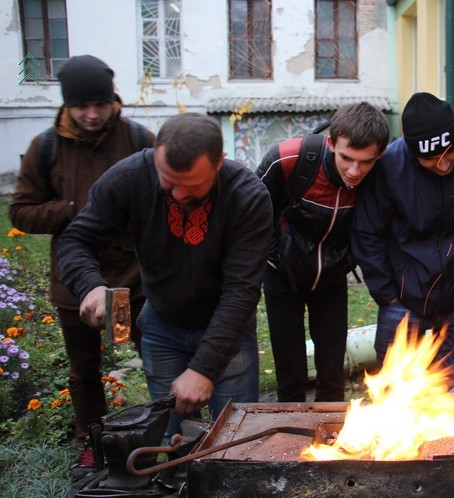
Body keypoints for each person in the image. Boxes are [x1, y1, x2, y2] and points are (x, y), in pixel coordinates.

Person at [57, 112, 273, 437]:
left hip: (229, 332)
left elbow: (241, 291)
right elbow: (77, 239)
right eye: (167, 179)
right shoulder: (131, 176)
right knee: (171, 440)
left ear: (219, 163)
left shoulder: (247, 197)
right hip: (162, 327)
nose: (176, 194)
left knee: (234, 442)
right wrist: (89, 286)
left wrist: (203, 368)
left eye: (191, 186)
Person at [9, 54, 152, 475]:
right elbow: (20, 212)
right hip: (75, 281)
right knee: (85, 370)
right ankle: (91, 444)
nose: (91, 114)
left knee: (154, 356)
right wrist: (74, 210)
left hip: (134, 280)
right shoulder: (46, 147)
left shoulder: (139, 138)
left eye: (99, 105)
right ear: (67, 105)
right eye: (82, 106)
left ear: (113, 101)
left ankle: (161, 434)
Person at [351, 92, 454, 386]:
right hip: (401, 302)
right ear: (413, 152)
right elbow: (368, 233)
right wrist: (388, 295)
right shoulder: (389, 166)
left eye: (449, 154)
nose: (443, 165)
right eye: (431, 160)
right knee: (393, 394)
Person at [255, 103, 389, 402]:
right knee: (290, 370)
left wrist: (350, 260)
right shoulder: (288, 158)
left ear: (379, 155)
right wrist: (275, 257)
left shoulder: (382, 172)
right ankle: (289, 439)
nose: (355, 171)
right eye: (346, 158)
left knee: (332, 370)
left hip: (331, 278)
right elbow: (252, 215)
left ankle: (331, 441)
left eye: (365, 162)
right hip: (282, 275)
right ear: (331, 142)